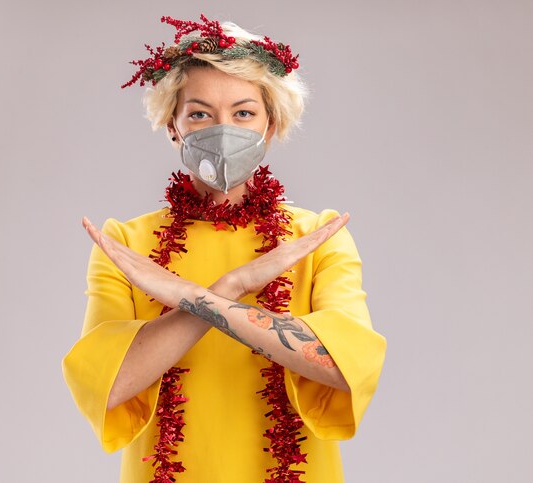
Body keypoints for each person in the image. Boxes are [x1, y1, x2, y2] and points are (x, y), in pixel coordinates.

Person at [62, 14, 387, 483]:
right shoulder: (127, 246)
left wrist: (193, 296)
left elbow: (340, 366)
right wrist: (232, 287)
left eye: (243, 113)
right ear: (172, 126)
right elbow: (110, 384)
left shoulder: (317, 236)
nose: (222, 129)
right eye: (199, 113)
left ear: (270, 125)